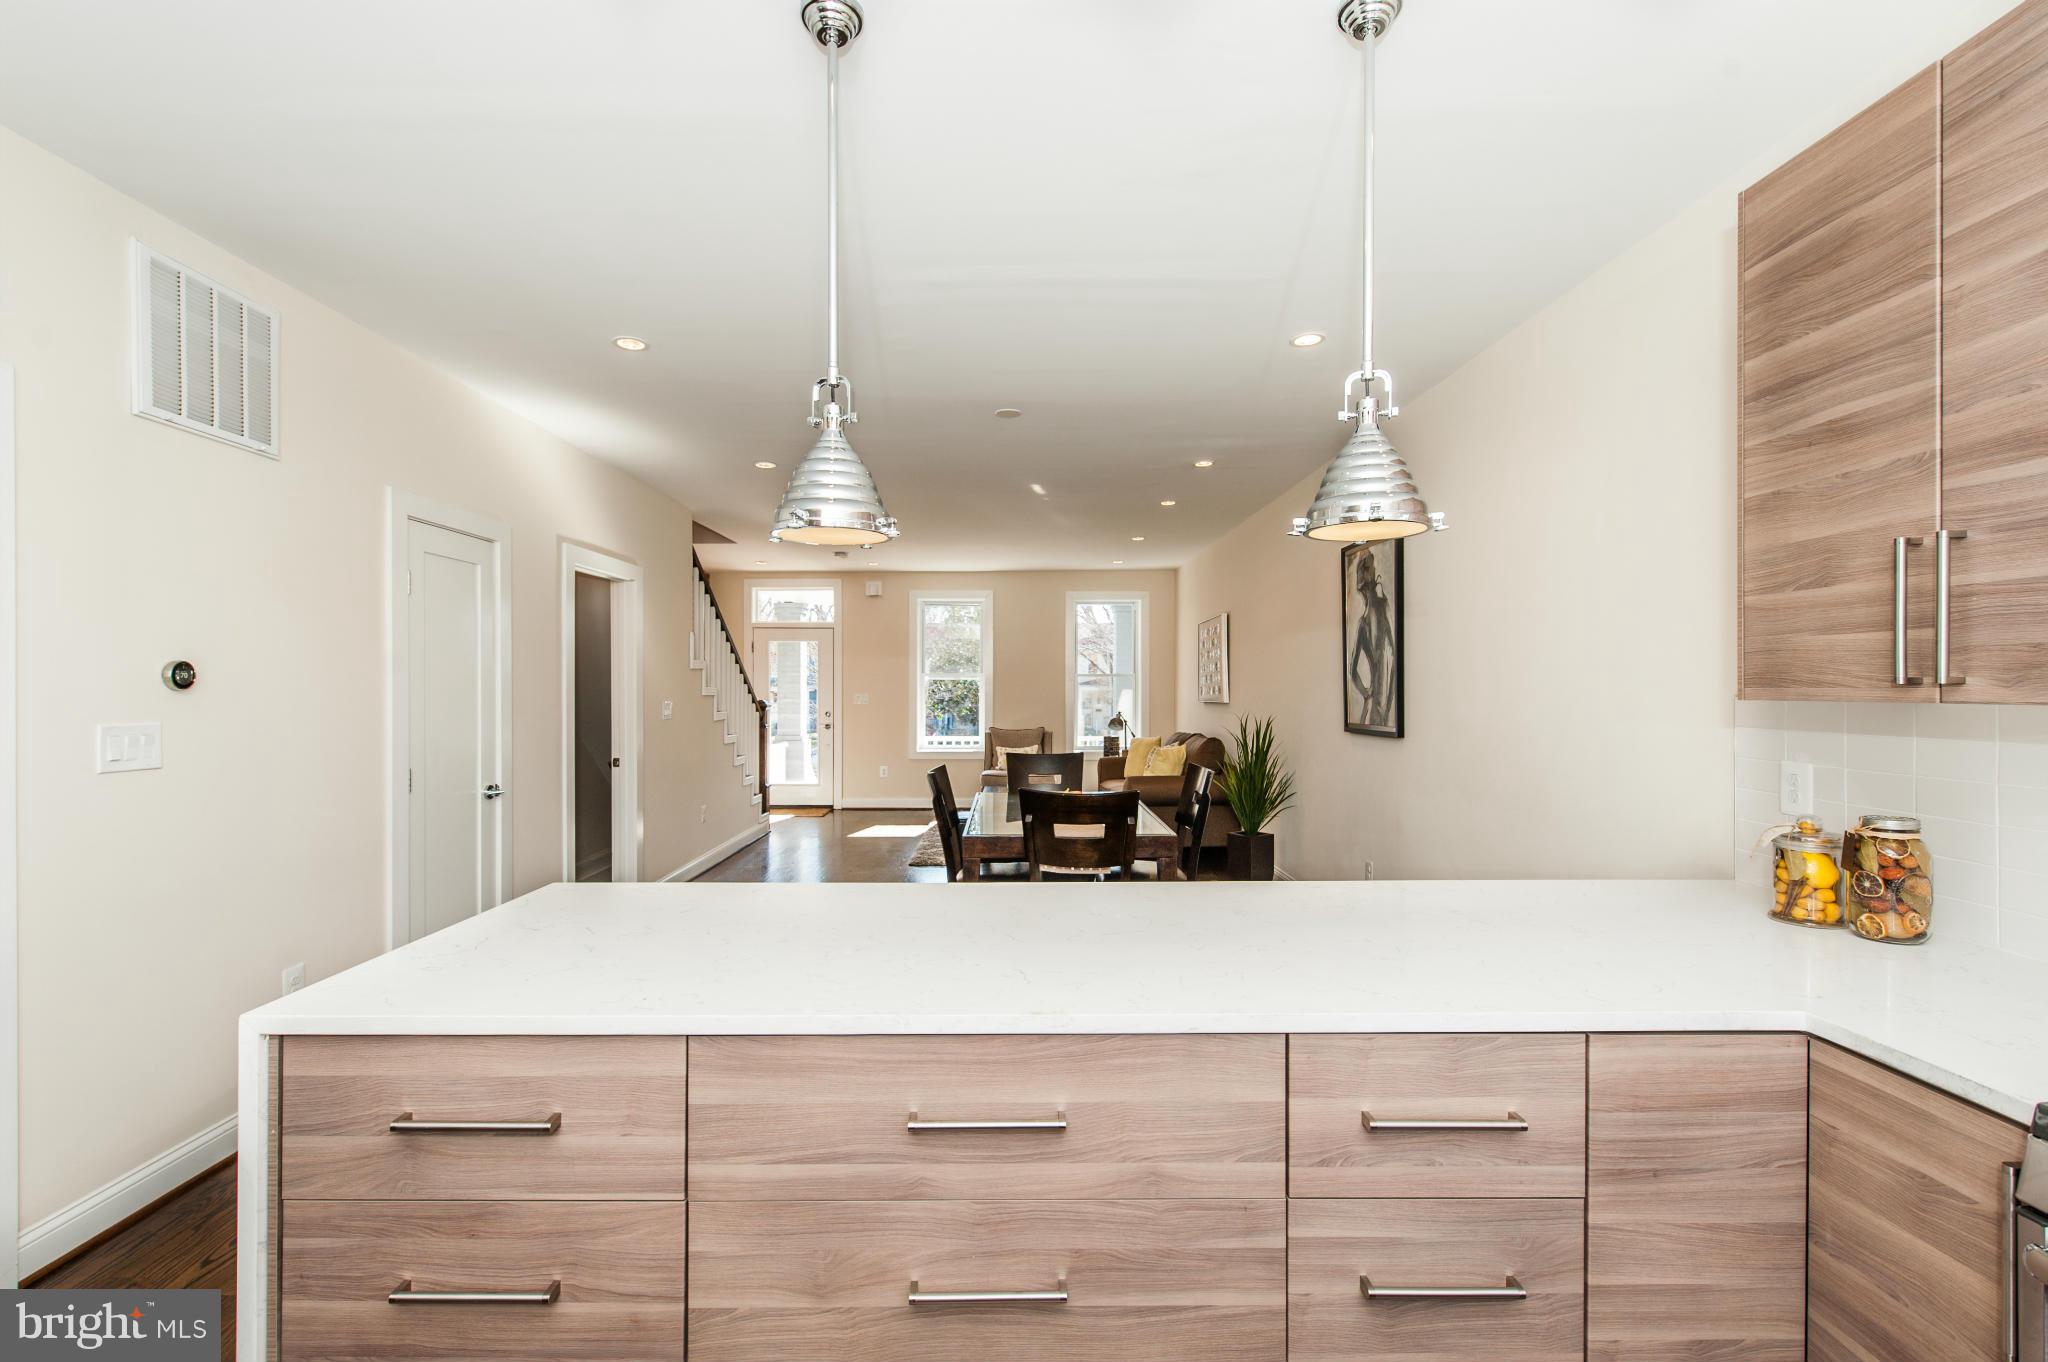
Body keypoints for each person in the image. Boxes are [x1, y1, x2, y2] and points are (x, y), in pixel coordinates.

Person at [1348, 546, 1395, 729]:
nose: (1375, 571)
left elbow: (1352, 670)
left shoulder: (1363, 622)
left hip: (1376, 699)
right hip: (1382, 698)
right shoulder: (1382, 608)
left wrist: (1368, 693)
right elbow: (1394, 653)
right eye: (1371, 568)